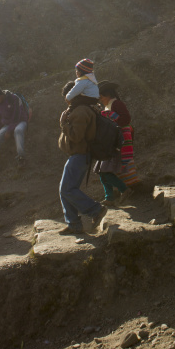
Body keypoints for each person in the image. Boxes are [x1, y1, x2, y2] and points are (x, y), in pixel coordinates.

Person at [58, 81, 108, 235]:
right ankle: (73, 223)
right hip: (78, 155)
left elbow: (76, 136)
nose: (67, 100)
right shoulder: (81, 108)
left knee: (67, 189)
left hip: (80, 154)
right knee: (65, 189)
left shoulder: (80, 111)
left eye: (68, 97)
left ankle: (95, 210)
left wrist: (63, 124)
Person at [99, 80, 138, 194]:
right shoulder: (109, 107)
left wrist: (111, 117)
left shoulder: (117, 104)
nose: (101, 100)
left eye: (102, 97)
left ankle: (127, 189)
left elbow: (126, 119)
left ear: (108, 95)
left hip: (120, 139)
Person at [0, 83, 29, 175]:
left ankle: (21, 158)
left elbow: (16, 116)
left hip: (20, 121)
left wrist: (9, 131)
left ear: (0, 95)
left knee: (18, 131)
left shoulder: (13, 98)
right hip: (7, 125)